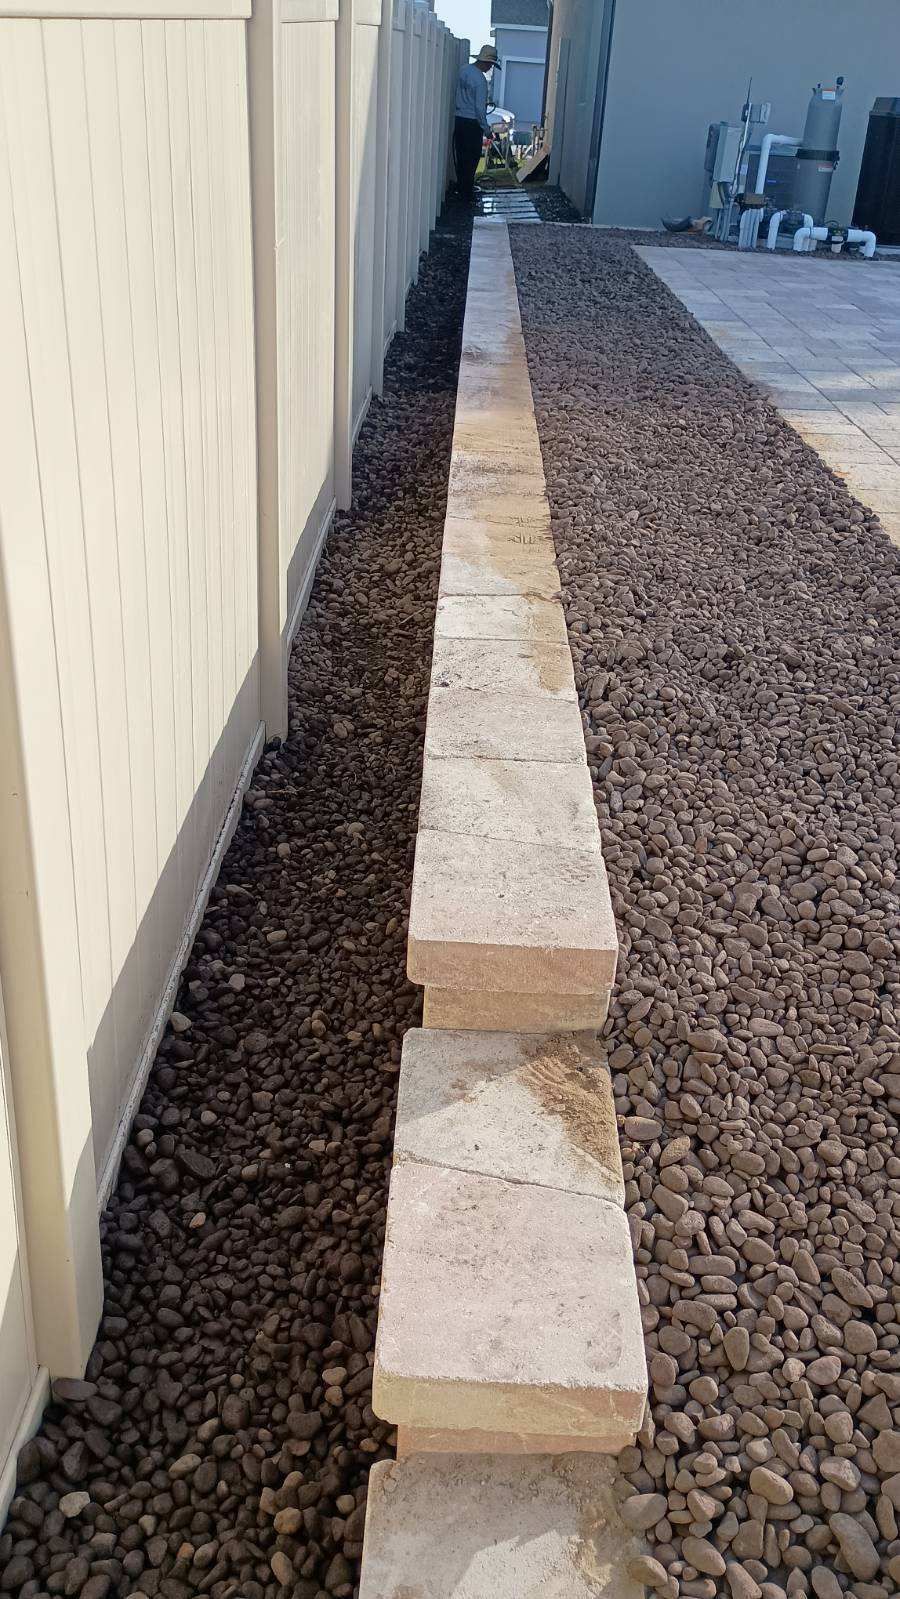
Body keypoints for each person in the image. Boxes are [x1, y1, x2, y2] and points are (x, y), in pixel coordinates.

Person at [454, 44, 497, 202]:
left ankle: (461, 189)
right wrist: (486, 130)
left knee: (461, 157)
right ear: (486, 62)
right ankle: (467, 194)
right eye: (491, 65)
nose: (490, 68)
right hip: (472, 124)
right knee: (472, 159)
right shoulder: (480, 81)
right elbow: (480, 109)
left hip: (459, 119)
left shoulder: (464, 70)